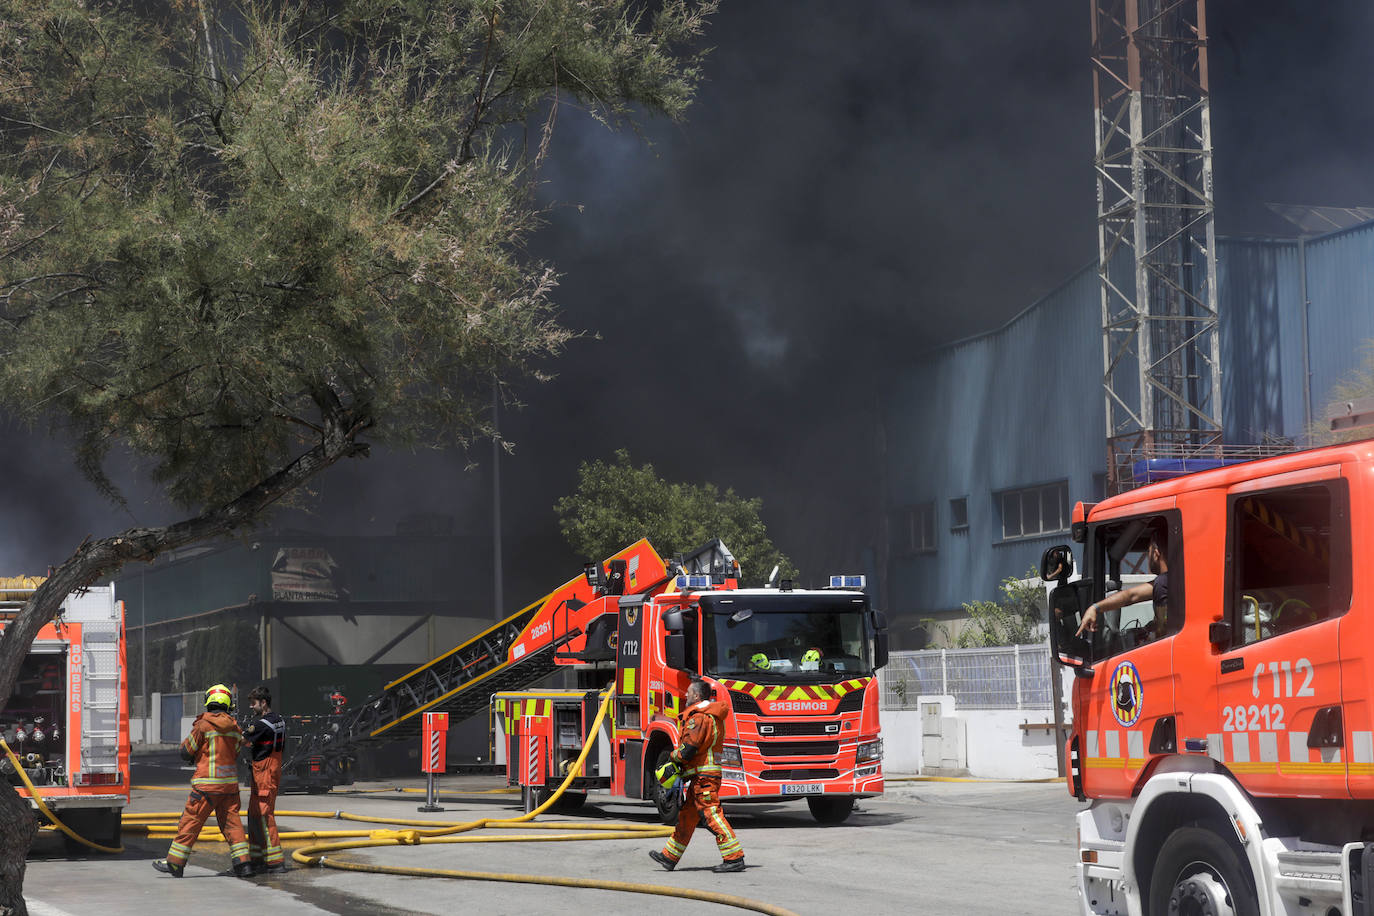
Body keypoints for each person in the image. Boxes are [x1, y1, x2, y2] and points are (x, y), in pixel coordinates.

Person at [152, 684, 254, 878]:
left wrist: (197, 754)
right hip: (229, 787)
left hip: (206, 786)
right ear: (227, 703)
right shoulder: (234, 728)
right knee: (233, 825)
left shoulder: (203, 724)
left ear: (209, 702)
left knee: (190, 822)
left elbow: (186, 752)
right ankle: (244, 865)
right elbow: (237, 752)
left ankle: (175, 863)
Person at [648, 678, 746, 873]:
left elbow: (688, 749)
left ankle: (734, 858)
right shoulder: (710, 715)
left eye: (689, 692)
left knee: (711, 814)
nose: (685, 695)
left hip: (704, 777)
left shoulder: (698, 717)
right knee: (686, 817)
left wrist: (673, 757)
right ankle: (669, 857)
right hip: (701, 776)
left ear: (697, 695)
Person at [1075, 529, 1169, 640]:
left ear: (1156, 554)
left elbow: (1164, 630)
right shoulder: (1172, 580)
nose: (1148, 557)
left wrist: (1094, 608)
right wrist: (1096, 607)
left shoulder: (1163, 583)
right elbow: (1131, 596)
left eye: (1148, 552)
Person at [243, 685, 287, 874]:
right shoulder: (279, 720)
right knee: (254, 814)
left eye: (254, 703)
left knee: (263, 814)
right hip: (269, 770)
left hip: (264, 773)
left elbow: (243, 740)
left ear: (264, 703)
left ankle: (275, 862)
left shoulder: (261, 725)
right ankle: (257, 858)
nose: (251, 707)